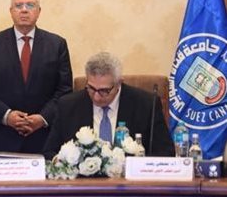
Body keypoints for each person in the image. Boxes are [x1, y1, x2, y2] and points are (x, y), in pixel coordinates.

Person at [0, 0, 73, 154]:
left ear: (39, 11)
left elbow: (64, 90)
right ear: (11, 11)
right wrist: (7, 116)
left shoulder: (57, 44)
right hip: (2, 137)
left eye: (30, 5)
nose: (24, 10)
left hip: (44, 138)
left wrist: (42, 118)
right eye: (19, 6)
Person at [43, 51, 174, 160]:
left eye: (104, 91)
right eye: (91, 88)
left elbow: (165, 153)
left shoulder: (146, 105)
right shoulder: (68, 105)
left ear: (119, 83)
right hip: (82, 182)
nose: (96, 97)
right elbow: (49, 153)